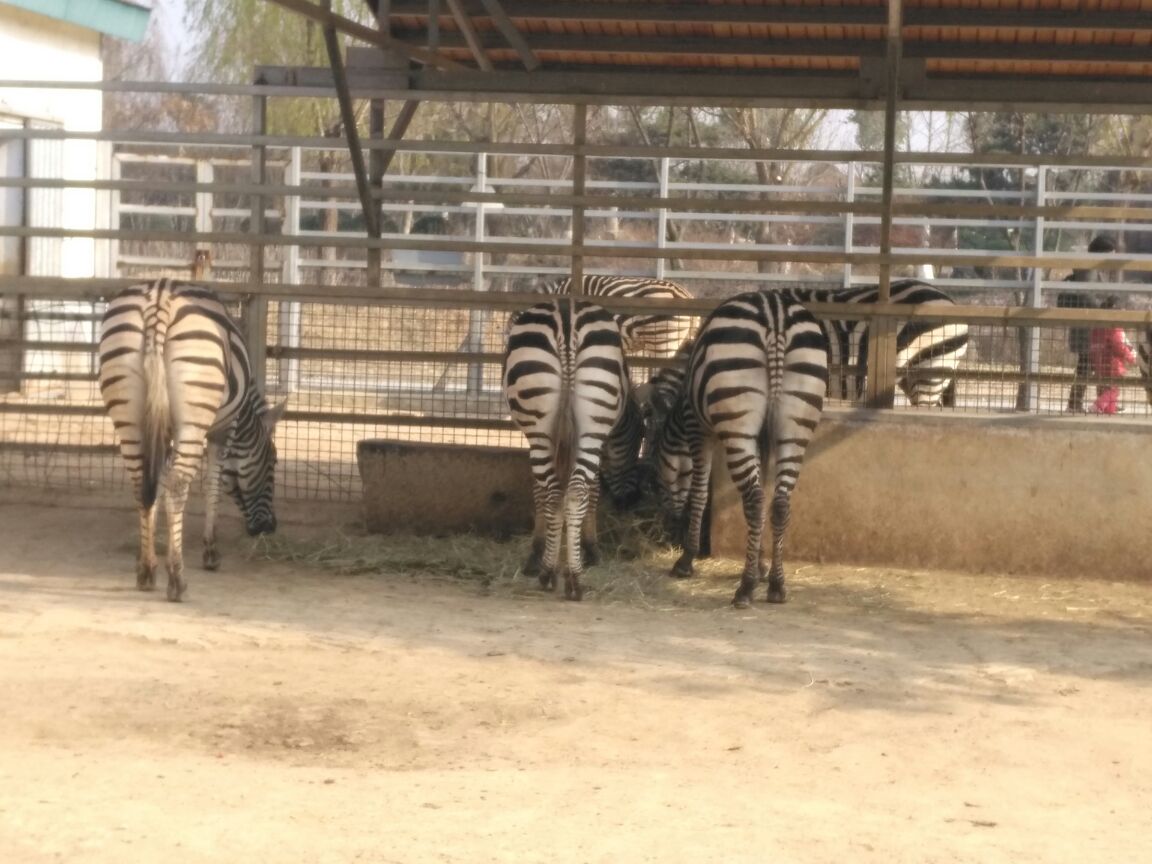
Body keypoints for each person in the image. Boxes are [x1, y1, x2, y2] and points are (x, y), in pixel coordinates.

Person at [1058, 235, 1116, 412]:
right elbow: (1086, 295)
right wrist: (1104, 305)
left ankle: (1091, 402)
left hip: (1089, 325)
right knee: (1088, 365)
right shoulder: (1089, 269)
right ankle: (1079, 403)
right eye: (1111, 254)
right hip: (1088, 327)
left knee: (1091, 365)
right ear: (1102, 252)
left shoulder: (1092, 268)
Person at [1088, 295, 1135, 415]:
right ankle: (1097, 405)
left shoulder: (1097, 326)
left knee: (1103, 388)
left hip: (1099, 361)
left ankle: (1109, 410)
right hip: (1113, 364)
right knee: (1113, 389)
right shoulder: (1115, 327)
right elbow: (1119, 346)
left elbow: (1093, 343)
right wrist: (1131, 358)